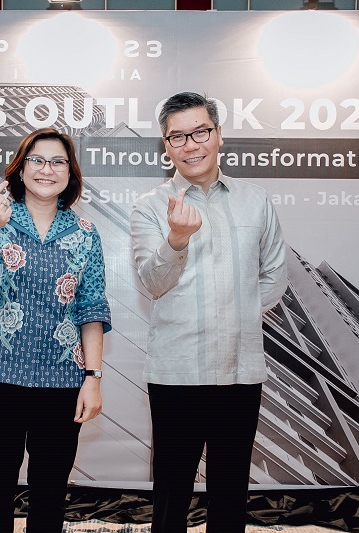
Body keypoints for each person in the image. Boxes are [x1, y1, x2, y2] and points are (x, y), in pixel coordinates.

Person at [129, 92, 288, 532]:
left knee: (230, 491)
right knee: (171, 491)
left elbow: (275, 276)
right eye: (177, 137)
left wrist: (235, 316)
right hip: (176, 370)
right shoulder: (149, 206)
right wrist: (176, 239)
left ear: (219, 135)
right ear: (166, 146)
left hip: (239, 368)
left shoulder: (255, 200)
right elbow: (152, 283)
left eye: (200, 132)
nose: (191, 145)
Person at [0, 128, 112, 533]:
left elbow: (91, 309)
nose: (47, 169)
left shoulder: (85, 233)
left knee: (50, 490)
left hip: (61, 380)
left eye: (58, 162)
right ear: (21, 169)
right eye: (37, 160)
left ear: (70, 173)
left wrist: (93, 378)